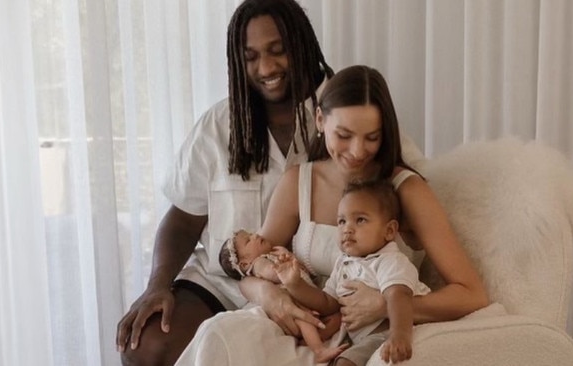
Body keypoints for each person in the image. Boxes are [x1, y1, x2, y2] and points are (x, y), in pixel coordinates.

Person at [115, 1, 427, 364]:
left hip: (314, 287)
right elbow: (183, 219)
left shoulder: (348, 109)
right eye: (251, 57)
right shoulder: (219, 125)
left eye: (278, 51)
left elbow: (405, 183)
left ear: (303, 44)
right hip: (224, 282)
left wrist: (392, 290)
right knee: (146, 346)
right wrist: (156, 285)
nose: (266, 68)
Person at [175, 65, 488, 366]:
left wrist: (386, 305)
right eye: (344, 135)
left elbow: (471, 294)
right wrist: (269, 295)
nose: (357, 150)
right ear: (321, 120)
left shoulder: (406, 190)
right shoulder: (299, 182)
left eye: (372, 137)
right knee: (217, 335)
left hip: (372, 336)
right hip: (303, 329)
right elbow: (252, 265)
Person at [276, 179, 431, 365]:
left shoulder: (390, 261)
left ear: (389, 231)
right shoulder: (344, 263)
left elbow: (399, 298)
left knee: (345, 363)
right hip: (361, 337)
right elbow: (328, 303)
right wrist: (295, 285)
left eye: (360, 220)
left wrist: (400, 336)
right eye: (341, 221)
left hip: (387, 331)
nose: (347, 229)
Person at [218, 229, 349, 362]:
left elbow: (304, 273)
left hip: (308, 298)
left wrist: (290, 258)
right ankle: (318, 350)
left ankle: (308, 341)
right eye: (248, 240)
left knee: (335, 318)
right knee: (305, 321)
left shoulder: (274, 255)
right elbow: (275, 273)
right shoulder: (259, 263)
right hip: (292, 304)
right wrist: (283, 267)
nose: (255, 235)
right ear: (245, 264)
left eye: (251, 234)